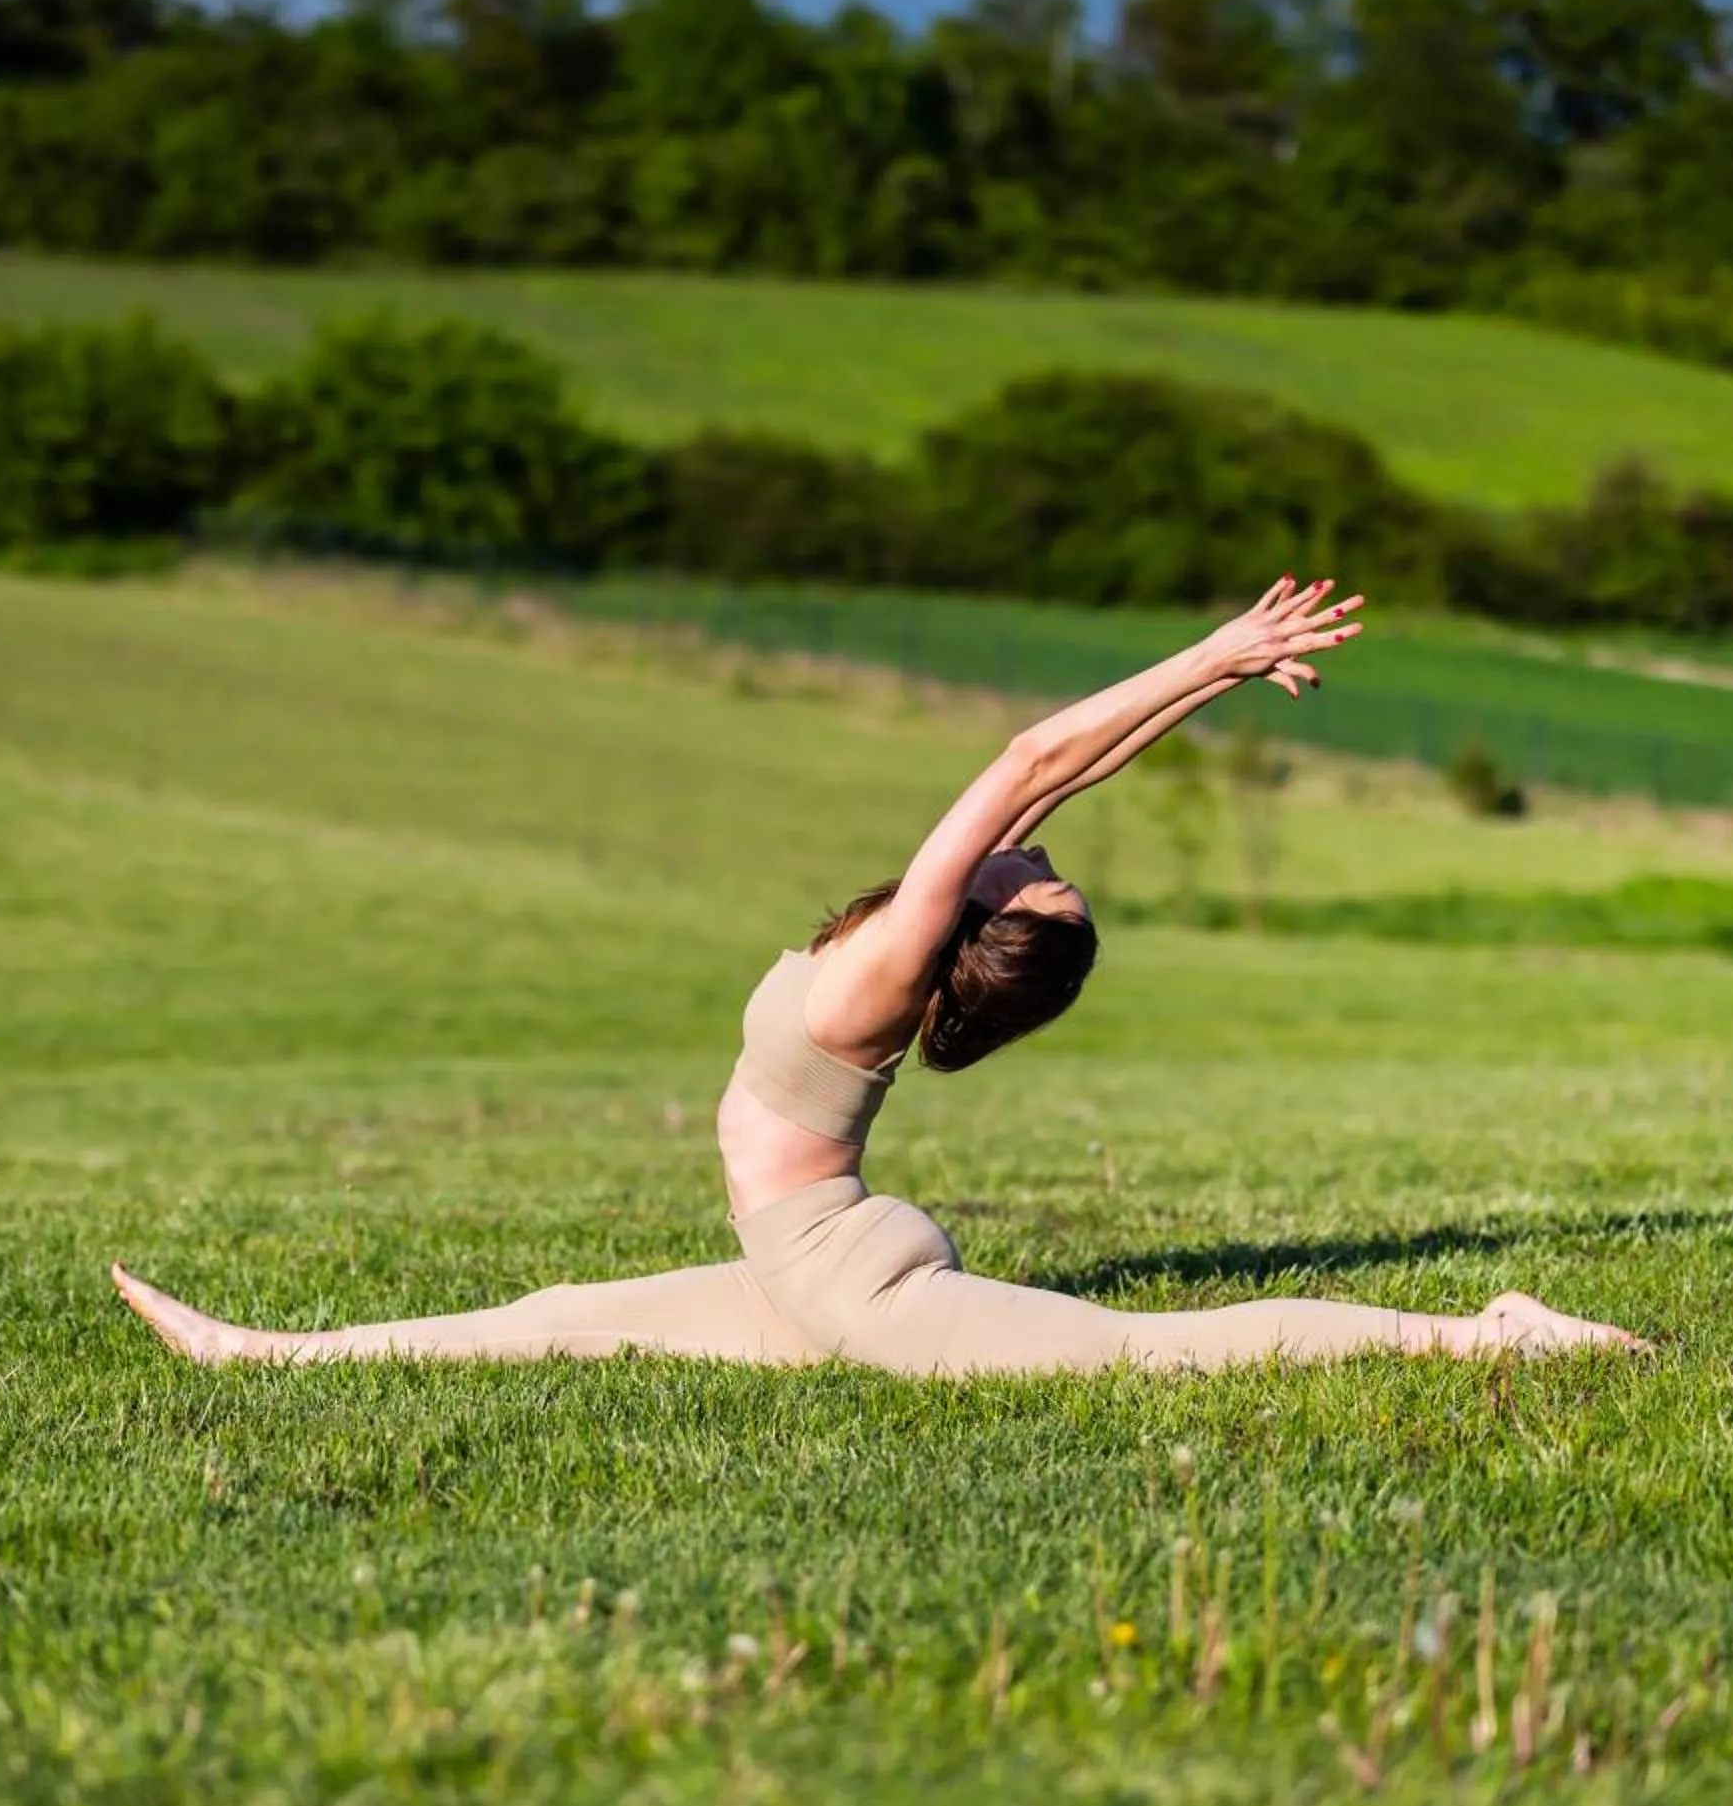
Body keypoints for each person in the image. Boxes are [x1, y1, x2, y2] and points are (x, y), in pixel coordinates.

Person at [113, 575, 1648, 1375]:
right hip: (815, 1262)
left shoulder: (890, 965)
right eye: (1038, 862)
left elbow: (1027, 758)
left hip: (860, 1283)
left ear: (992, 929)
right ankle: (265, 1352)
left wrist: (1208, 644)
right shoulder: (913, 939)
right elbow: (1069, 778)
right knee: (572, 1306)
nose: (1032, 850)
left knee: (1154, 1354)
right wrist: (1226, 680)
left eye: (1039, 881)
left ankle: (1485, 1334)